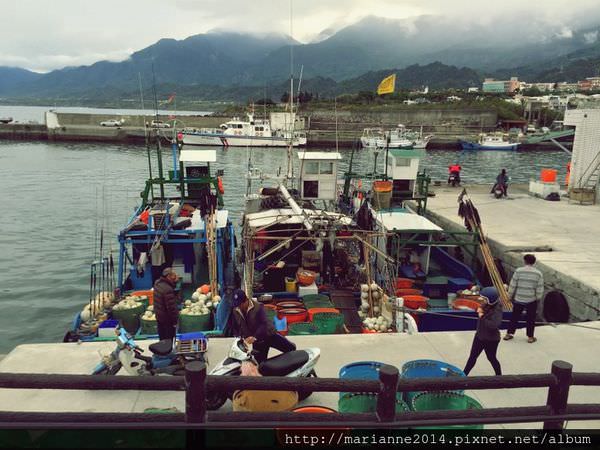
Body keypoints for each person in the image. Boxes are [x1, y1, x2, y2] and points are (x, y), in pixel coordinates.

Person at [230, 289, 296, 363]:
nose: (238, 306)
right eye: (236, 304)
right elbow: (236, 326)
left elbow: (263, 324)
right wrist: (242, 337)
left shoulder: (258, 307)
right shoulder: (236, 310)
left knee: (291, 349)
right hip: (258, 342)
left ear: (246, 300)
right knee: (259, 365)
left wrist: (254, 337)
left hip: (269, 335)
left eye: (240, 304)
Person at [504, 254, 544, 343]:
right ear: (534, 262)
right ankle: (530, 337)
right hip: (531, 300)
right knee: (530, 318)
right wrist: (538, 297)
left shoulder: (518, 271)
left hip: (519, 299)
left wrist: (509, 296)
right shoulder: (538, 273)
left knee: (514, 317)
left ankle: (509, 334)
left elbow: (513, 285)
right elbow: (539, 287)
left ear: (525, 261)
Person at [463, 287, 503, 376]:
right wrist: (479, 309)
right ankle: (464, 375)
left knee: (491, 358)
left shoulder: (497, 310)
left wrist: (482, 316)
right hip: (480, 336)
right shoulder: (487, 304)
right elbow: (482, 307)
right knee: (472, 357)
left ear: (491, 300)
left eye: (485, 299)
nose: (482, 300)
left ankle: (499, 376)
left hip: (491, 339)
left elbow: (494, 325)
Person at [153, 268, 180, 341]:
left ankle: (162, 350)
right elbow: (171, 308)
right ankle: (168, 351)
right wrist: (175, 321)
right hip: (167, 320)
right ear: (168, 276)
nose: (176, 277)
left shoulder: (157, 283)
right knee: (169, 339)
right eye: (173, 275)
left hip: (159, 317)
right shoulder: (167, 289)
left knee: (162, 338)